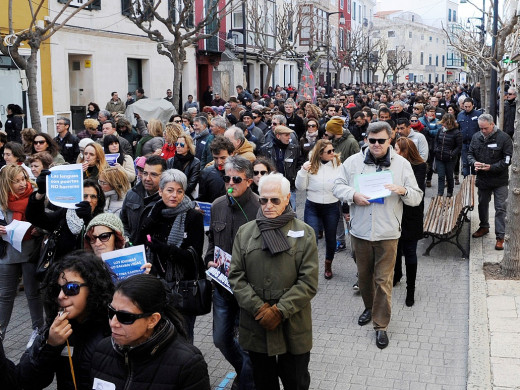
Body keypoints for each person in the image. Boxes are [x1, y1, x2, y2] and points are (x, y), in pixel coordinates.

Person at [333, 121, 423, 349]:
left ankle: (380, 326)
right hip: (360, 232)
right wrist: (353, 195)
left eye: (381, 141)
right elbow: (337, 186)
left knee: (383, 281)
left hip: (388, 233)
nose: (376, 145)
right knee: (364, 278)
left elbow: (416, 196)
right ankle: (369, 307)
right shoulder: (353, 162)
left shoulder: (401, 165)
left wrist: (402, 190)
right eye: (372, 140)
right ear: (365, 140)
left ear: (389, 140)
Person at [229, 173, 318, 390]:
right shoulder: (245, 232)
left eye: (275, 200)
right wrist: (260, 309)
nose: (268, 205)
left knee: (296, 382)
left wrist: (279, 311)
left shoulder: (305, 233)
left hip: (292, 323)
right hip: (257, 324)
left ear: (287, 198)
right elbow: (236, 276)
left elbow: (308, 282)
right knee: (263, 383)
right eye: (263, 200)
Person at [90, 274, 210, 389]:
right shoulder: (102, 350)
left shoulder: (187, 364)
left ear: (152, 320)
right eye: (111, 312)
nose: (113, 323)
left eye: (125, 317)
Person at [15, 251, 115, 390]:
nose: (61, 296)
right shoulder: (56, 328)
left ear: (93, 287)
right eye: (57, 289)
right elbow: (25, 380)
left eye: (71, 288)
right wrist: (50, 346)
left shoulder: (115, 326)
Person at [204, 156, 258, 390]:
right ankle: (243, 371)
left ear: (249, 181)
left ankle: (245, 383)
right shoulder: (217, 205)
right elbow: (212, 241)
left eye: (236, 179)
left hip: (248, 289)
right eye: (226, 178)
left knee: (247, 345)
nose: (230, 183)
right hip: (222, 288)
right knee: (221, 340)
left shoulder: (259, 207)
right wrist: (208, 261)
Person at [137, 169, 205, 343]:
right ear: (160, 191)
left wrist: (163, 248)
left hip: (183, 289)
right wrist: (154, 215)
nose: (174, 195)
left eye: (179, 191)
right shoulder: (152, 212)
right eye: (169, 190)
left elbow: (193, 256)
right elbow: (138, 240)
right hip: (156, 286)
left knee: (183, 339)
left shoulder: (193, 216)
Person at [0, 165, 43, 338]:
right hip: (8, 254)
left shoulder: (36, 197)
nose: (22, 184)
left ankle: (38, 332)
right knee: (5, 296)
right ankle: (1, 332)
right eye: (16, 181)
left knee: (33, 294)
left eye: (23, 179)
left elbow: (46, 219)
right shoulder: (2, 202)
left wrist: (39, 229)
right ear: (6, 183)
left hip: (30, 252)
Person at [27, 178, 106, 260]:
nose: (88, 200)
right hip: (62, 268)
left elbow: (101, 241)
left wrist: (88, 219)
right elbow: (36, 218)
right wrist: (40, 193)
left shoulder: (103, 220)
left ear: (98, 201)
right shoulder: (65, 213)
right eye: (84, 196)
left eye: (93, 197)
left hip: (90, 268)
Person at [296, 139, 342, 280]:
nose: (333, 153)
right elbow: (300, 187)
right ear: (320, 153)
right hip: (313, 206)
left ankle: (328, 264)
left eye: (333, 150)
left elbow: (345, 184)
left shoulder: (339, 165)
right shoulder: (310, 165)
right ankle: (310, 268)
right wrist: (303, 171)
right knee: (311, 238)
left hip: (332, 206)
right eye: (329, 151)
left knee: (330, 238)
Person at [468, 114, 513, 251]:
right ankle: (484, 226)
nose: (483, 131)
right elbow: (470, 154)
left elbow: (507, 160)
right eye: (481, 128)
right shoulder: (476, 137)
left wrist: (491, 167)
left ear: (492, 125)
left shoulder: (504, 138)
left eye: (485, 128)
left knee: (500, 208)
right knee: (482, 204)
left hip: (499, 180)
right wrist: (474, 162)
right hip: (483, 179)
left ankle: (500, 236)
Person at [393, 138, 426, 306]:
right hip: (395, 213)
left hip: (412, 214)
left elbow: (416, 191)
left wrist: (400, 189)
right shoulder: (392, 165)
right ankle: (397, 275)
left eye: (397, 150)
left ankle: (410, 289)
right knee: (396, 249)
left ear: (406, 151)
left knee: (410, 253)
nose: (394, 153)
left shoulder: (419, 166)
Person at [198, 136, 235, 203]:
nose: (219, 162)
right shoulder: (206, 173)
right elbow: (202, 199)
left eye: (223, 158)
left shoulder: (240, 172)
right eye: (215, 158)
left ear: (231, 154)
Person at [434, 113, 462, 197]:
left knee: (449, 176)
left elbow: (459, 146)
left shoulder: (457, 133)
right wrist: (436, 149)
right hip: (439, 157)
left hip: (450, 159)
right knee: (441, 176)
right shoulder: (440, 131)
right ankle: (440, 193)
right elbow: (436, 141)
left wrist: (452, 154)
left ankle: (450, 192)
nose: (444, 124)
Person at [166, 134, 200, 199]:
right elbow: (166, 180)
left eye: (181, 145)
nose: (178, 146)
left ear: (188, 147)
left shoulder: (195, 162)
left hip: (186, 196)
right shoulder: (170, 161)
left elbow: (191, 184)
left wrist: (178, 193)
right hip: (170, 195)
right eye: (177, 144)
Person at [457, 98, 481, 177]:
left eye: (469, 106)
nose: (467, 108)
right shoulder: (460, 115)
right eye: (465, 106)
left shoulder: (478, 114)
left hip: (475, 143)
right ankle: (466, 180)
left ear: (473, 105)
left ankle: (475, 181)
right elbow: (458, 129)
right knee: (465, 163)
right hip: (464, 143)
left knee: (474, 163)